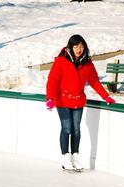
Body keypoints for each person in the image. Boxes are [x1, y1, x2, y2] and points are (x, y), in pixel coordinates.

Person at [46, 34, 115, 171]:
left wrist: (106, 96)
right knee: (67, 128)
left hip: (78, 100)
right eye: (76, 46)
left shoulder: (87, 64)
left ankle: (75, 156)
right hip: (63, 101)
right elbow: (52, 80)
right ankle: (65, 157)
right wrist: (50, 98)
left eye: (81, 46)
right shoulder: (61, 61)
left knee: (76, 130)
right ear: (70, 47)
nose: (79, 49)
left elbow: (94, 81)